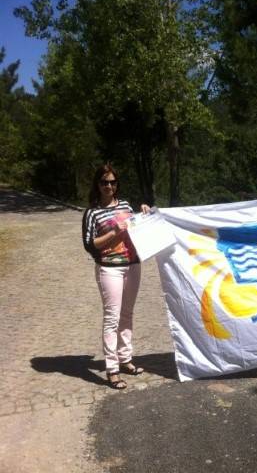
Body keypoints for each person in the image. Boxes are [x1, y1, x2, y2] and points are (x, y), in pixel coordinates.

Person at [82, 164, 151, 389]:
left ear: (116, 184)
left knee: (127, 314)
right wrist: (114, 231)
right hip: (109, 268)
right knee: (112, 318)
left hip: (132, 265)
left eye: (112, 182)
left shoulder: (125, 205)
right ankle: (112, 369)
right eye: (104, 182)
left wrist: (144, 213)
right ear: (97, 184)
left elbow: (138, 228)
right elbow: (90, 245)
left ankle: (126, 360)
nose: (108, 186)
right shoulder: (92, 213)